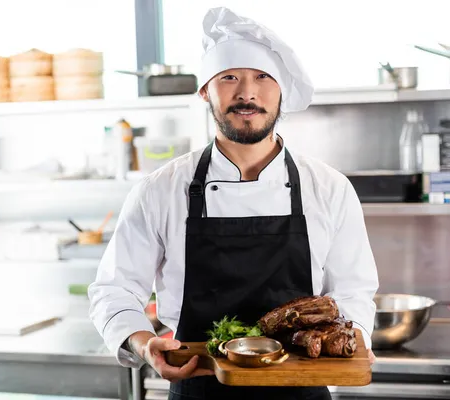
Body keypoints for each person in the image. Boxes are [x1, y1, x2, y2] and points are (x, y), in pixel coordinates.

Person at [89, 6, 379, 400]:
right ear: (205, 91)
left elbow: (353, 291)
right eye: (229, 77)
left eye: (263, 77)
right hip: (197, 385)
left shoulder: (328, 188)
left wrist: (352, 337)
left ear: (282, 90)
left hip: (301, 388)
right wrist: (142, 341)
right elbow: (115, 287)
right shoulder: (160, 190)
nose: (247, 93)